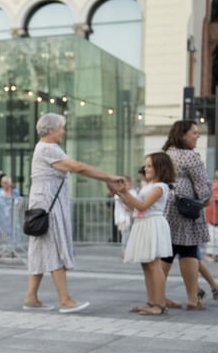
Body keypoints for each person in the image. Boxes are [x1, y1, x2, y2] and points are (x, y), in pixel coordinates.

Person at [24, 113, 122, 314]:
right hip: (48, 206)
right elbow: (78, 167)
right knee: (54, 246)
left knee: (40, 249)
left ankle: (31, 297)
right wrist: (108, 177)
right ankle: (65, 299)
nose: (64, 131)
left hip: (43, 204)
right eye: (61, 128)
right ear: (50, 130)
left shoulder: (46, 148)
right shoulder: (48, 148)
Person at [116, 153, 174, 316]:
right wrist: (123, 195)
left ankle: (160, 304)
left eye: (150, 166)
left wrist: (126, 193)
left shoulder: (160, 187)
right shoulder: (148, 186)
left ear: (160, 168)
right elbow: (135, 207)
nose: (146, 168)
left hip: (152, 223)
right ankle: (151, 301)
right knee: (146, 264)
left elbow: (142, 205)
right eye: (146, 165)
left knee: (154, 264)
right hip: (144, 222)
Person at [160, 120, 210, 310]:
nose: (197, 136)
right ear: (182, 135)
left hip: (167, 208)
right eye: (194, 133)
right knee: (189, 250)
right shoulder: (190, 156)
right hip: (186, 210)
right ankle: (192, 298)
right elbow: (203, 188)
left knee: (167, 251)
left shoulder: (165, 154)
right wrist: (204, 200)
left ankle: (159, 296)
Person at [113, 176, 135, 254]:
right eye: (126, 183)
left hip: (133, 215)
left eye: (129, 183)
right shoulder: (119, 193)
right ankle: (125, 251)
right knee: (126, 233)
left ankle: (130, 251)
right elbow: (123, 203)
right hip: (123, 216)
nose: (128, 185)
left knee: (131, 234)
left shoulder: (133, 192)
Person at [204, 170, 218, 262]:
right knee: (213, 234)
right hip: (214, 214)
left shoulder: (214, 184)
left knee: (214, 234)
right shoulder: (216, 185)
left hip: (213, 214)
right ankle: (209, 253)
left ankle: (214, 254)